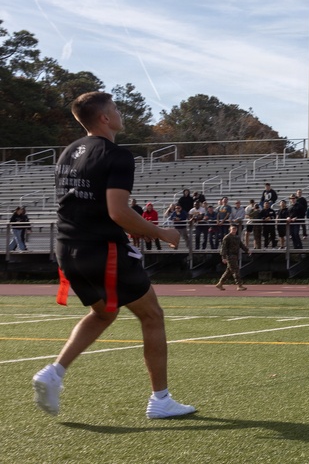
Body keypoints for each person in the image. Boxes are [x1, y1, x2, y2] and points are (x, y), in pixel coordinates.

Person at [32, 90, 195, 419]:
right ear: (105, 117)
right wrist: (163, 233)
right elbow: (118, 212)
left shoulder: (67, 152)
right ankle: (160, 400)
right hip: (101, 249)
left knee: (104, 314)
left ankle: (54, 373)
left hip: (67, 248)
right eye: (116, 108)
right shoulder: (118, 155)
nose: (120, 112)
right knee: (152, 316)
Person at [216, 225, 251, 291]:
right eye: (233, 228)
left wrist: (247, 250)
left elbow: (241, 245)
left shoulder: (237, 237)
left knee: (229, 271)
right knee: (236, 270)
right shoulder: (227, 237)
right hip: (230, 256)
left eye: (235, 228)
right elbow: (224, 248)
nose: (234, 230)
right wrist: (223, 257)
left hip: (235, 255)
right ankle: (239, 285)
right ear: (230, 229)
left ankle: (220, 283)